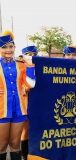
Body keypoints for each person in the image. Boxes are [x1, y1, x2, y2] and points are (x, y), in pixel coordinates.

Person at [0, 30, 35, 160]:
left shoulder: (21, 66)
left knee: (15, 144)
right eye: (4, 47)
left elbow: (30, 85)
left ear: (14, 47)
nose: (8, 50)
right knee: (1, 146)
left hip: (19, 110)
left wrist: (30, 66)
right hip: (1, 110)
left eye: (10, 46)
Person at [20, 45, 38, 160]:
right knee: (25, 131)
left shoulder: (41, 68)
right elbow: (23, 88)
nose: (31, 57)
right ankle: (25, 156)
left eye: (34, 55)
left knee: (38, 129)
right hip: (26, 102)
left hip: (39, 104)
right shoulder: (20, 68)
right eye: (29, 55)